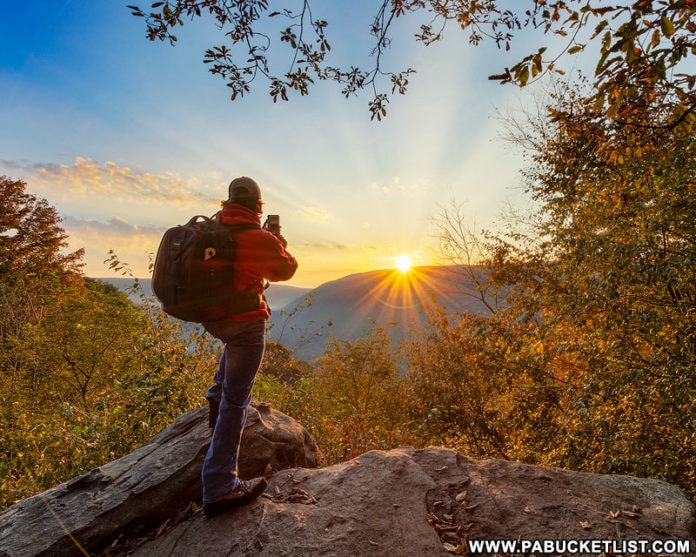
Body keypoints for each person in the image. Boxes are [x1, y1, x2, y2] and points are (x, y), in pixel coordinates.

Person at [201, 176, 298, 518]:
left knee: (226, 377)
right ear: (258, 206)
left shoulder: (211, 229)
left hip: (213, 319)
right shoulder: (257, 237)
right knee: (237, 401)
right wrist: (278, 241)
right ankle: (219, 485)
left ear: (229, 202)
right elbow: (286, 269)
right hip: (245, 323)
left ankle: (213, 418)